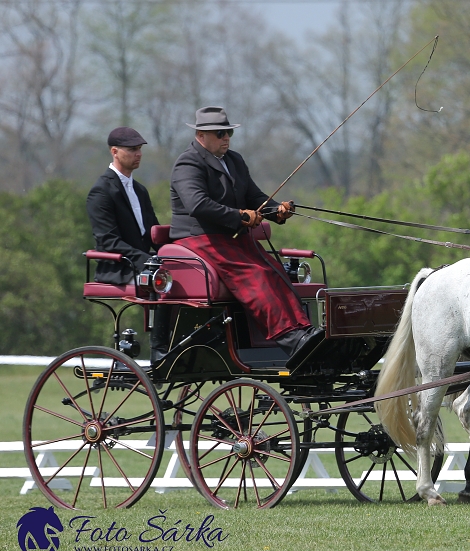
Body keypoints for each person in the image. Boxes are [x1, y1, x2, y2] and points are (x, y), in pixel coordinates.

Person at [169, 106, 323, 359]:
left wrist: (277, 210)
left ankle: (302, 329)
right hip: (199, 239)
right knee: (256, 274)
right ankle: (288, 337)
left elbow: (255, 197)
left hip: (232, 238)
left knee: (275, 270)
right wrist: (239, 215)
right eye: (220, 133)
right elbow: (197, 204)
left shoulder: (234, 161)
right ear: (201, 135)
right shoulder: (188, 163)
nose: (226, 137)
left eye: (228, 132)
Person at [86, 127, 170, 361]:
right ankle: (160, 349)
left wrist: (182, 249)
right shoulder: (101, 191)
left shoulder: (140, 190)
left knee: (192, 277)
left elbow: (155, 234)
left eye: (140, 149)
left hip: (145, 266)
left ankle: (180, 345)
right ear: (115, 151)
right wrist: (148, 260)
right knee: (168, 284)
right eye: (132, 150)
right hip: (118, 268)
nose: (138, 154)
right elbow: (108, 240)